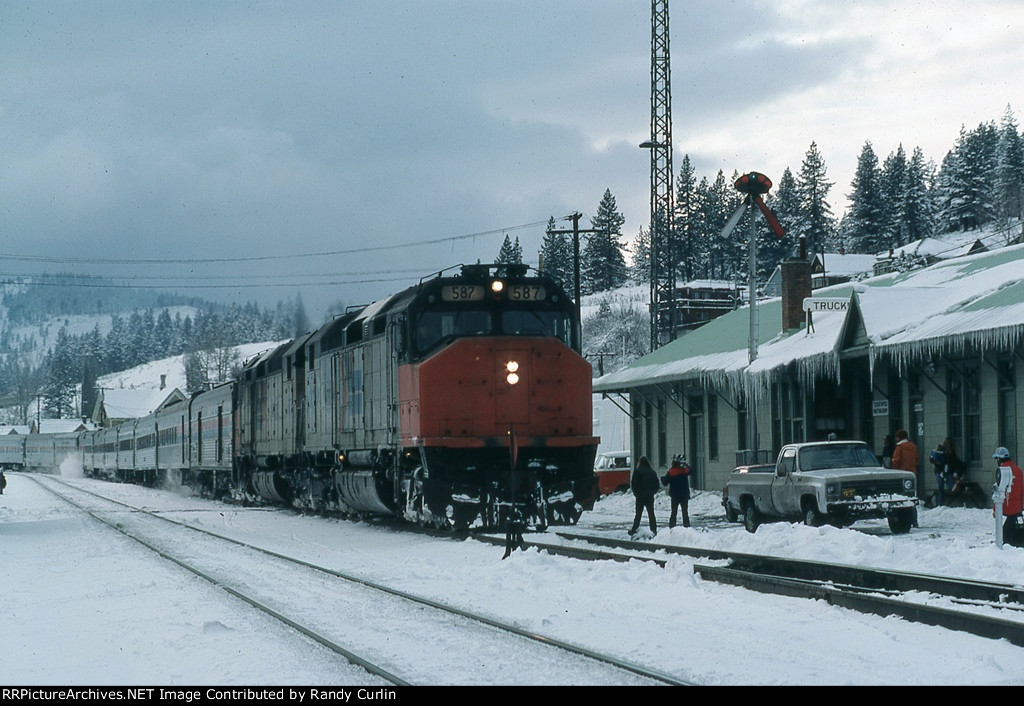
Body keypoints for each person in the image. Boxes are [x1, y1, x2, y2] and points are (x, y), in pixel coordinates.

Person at [994, 447, 1024, 547]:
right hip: (1017, 505)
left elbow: (999, 490)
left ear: (999, 459)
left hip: (1005, 504)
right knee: (1011, 525)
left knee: (1006, 531)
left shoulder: (1001, 471)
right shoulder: (1018, 471)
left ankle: (1007, 544)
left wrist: (995, 508)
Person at [629, 456, 659, 536]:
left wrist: (636, 493)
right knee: (651, 514)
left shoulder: (637, 471)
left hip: (640, 496)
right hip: (649, 496)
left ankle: (634, 529)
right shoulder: (652, 472)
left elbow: (634, 484)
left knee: (638, 514)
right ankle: (653, 530)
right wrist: (653, 492)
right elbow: (656, 484)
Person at [662, 455, 691, 528]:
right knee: (685, 513)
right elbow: (691, 471)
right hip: (684, 495)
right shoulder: (684, 471)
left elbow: (665, 482)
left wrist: (663, 478)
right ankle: (687, 527)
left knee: (674, 512)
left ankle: (672, 527)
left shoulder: (671, 471)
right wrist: (686, 465)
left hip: (675, 495)